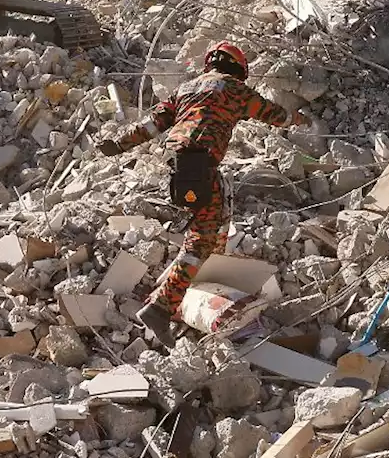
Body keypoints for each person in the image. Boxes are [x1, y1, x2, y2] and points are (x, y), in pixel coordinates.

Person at [98, 42, 306, 346]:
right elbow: (272, 114)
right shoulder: (234, 88)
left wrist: (118, 143)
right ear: (238, 68)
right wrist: (297, 119)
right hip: (199, 167)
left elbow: (151, 124)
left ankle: (210, 271)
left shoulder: (185, 89)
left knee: (220, 214)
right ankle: (160, 307)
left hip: (181, 168)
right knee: (199, 241)